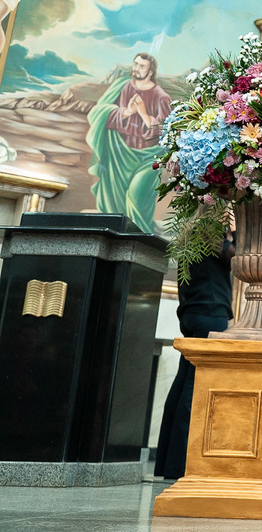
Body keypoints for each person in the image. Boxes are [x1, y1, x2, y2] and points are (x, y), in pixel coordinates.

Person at [154, 231, 234, 480]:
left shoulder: (190, 234)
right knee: (197, 388)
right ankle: (181, 464)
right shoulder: (211, 236)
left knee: (183, 386)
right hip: (210, 312)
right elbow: (240, 259)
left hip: (192, 313)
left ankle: (168, 463)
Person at [86, 53, 173, 233]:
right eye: (135, 64)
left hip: (149, 158)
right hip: (120, 155)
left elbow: (166, 131)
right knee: (115, 203)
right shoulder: (122, 88)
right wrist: (126, 112)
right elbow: (100, 112)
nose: (136, 68)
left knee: (137, 197)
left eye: (142, 66)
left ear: (151, 72)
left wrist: (142, 112)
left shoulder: (161, 97)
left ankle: (138, 242)